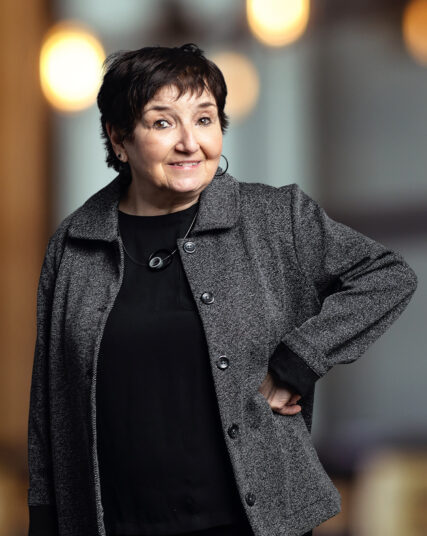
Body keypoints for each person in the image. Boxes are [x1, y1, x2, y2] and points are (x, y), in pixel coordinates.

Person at [27, 43, 418, 536]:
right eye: (163, 122)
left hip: (249, 522)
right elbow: (49, 402)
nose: (191, 142)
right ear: (119, 138)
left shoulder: (275, 218)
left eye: (205, 119)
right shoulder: (75, 241)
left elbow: (386, 274)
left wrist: (299, 359)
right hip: (113, 522)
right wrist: (43, 518)